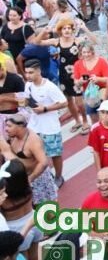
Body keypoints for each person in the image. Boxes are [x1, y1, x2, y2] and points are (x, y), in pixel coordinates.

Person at [22, 58, 67, 189]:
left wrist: (45, 109)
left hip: (50, 127)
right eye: (26, 73)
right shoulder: (28, 85)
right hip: (34, 126)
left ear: (38, 71)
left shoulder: (50, 87)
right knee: (34, 153)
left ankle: (59, 176)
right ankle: (42, 175)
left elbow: (64, 102)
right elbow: (26, 98)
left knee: (55, 154)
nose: (28, 75)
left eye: (30, 73)